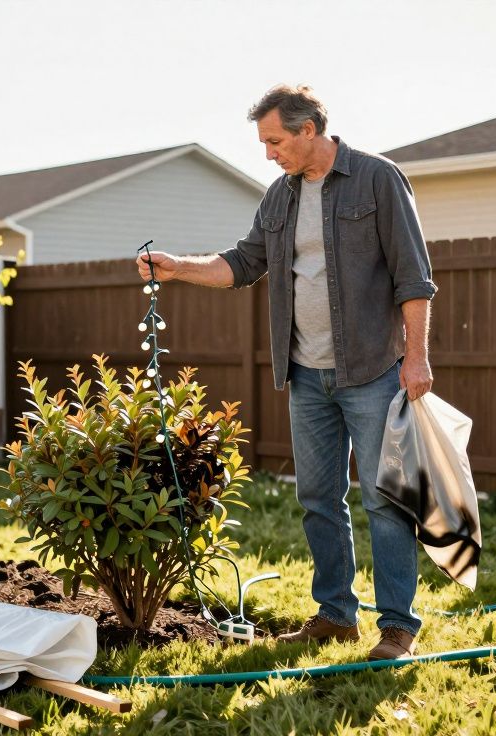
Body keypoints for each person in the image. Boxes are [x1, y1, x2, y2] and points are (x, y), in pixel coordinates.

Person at [135, 84, 436, 661]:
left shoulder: (377, 179)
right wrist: (178, 268)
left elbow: (413, 276)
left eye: (275, 141)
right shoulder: (279, 197)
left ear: (308, 130)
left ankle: (396, 627)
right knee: (318, 497)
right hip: (306, 375)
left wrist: (417, 357)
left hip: (374, 371)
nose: (268, 153)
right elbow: (243, 264)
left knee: (384, 500)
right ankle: (336, 615)